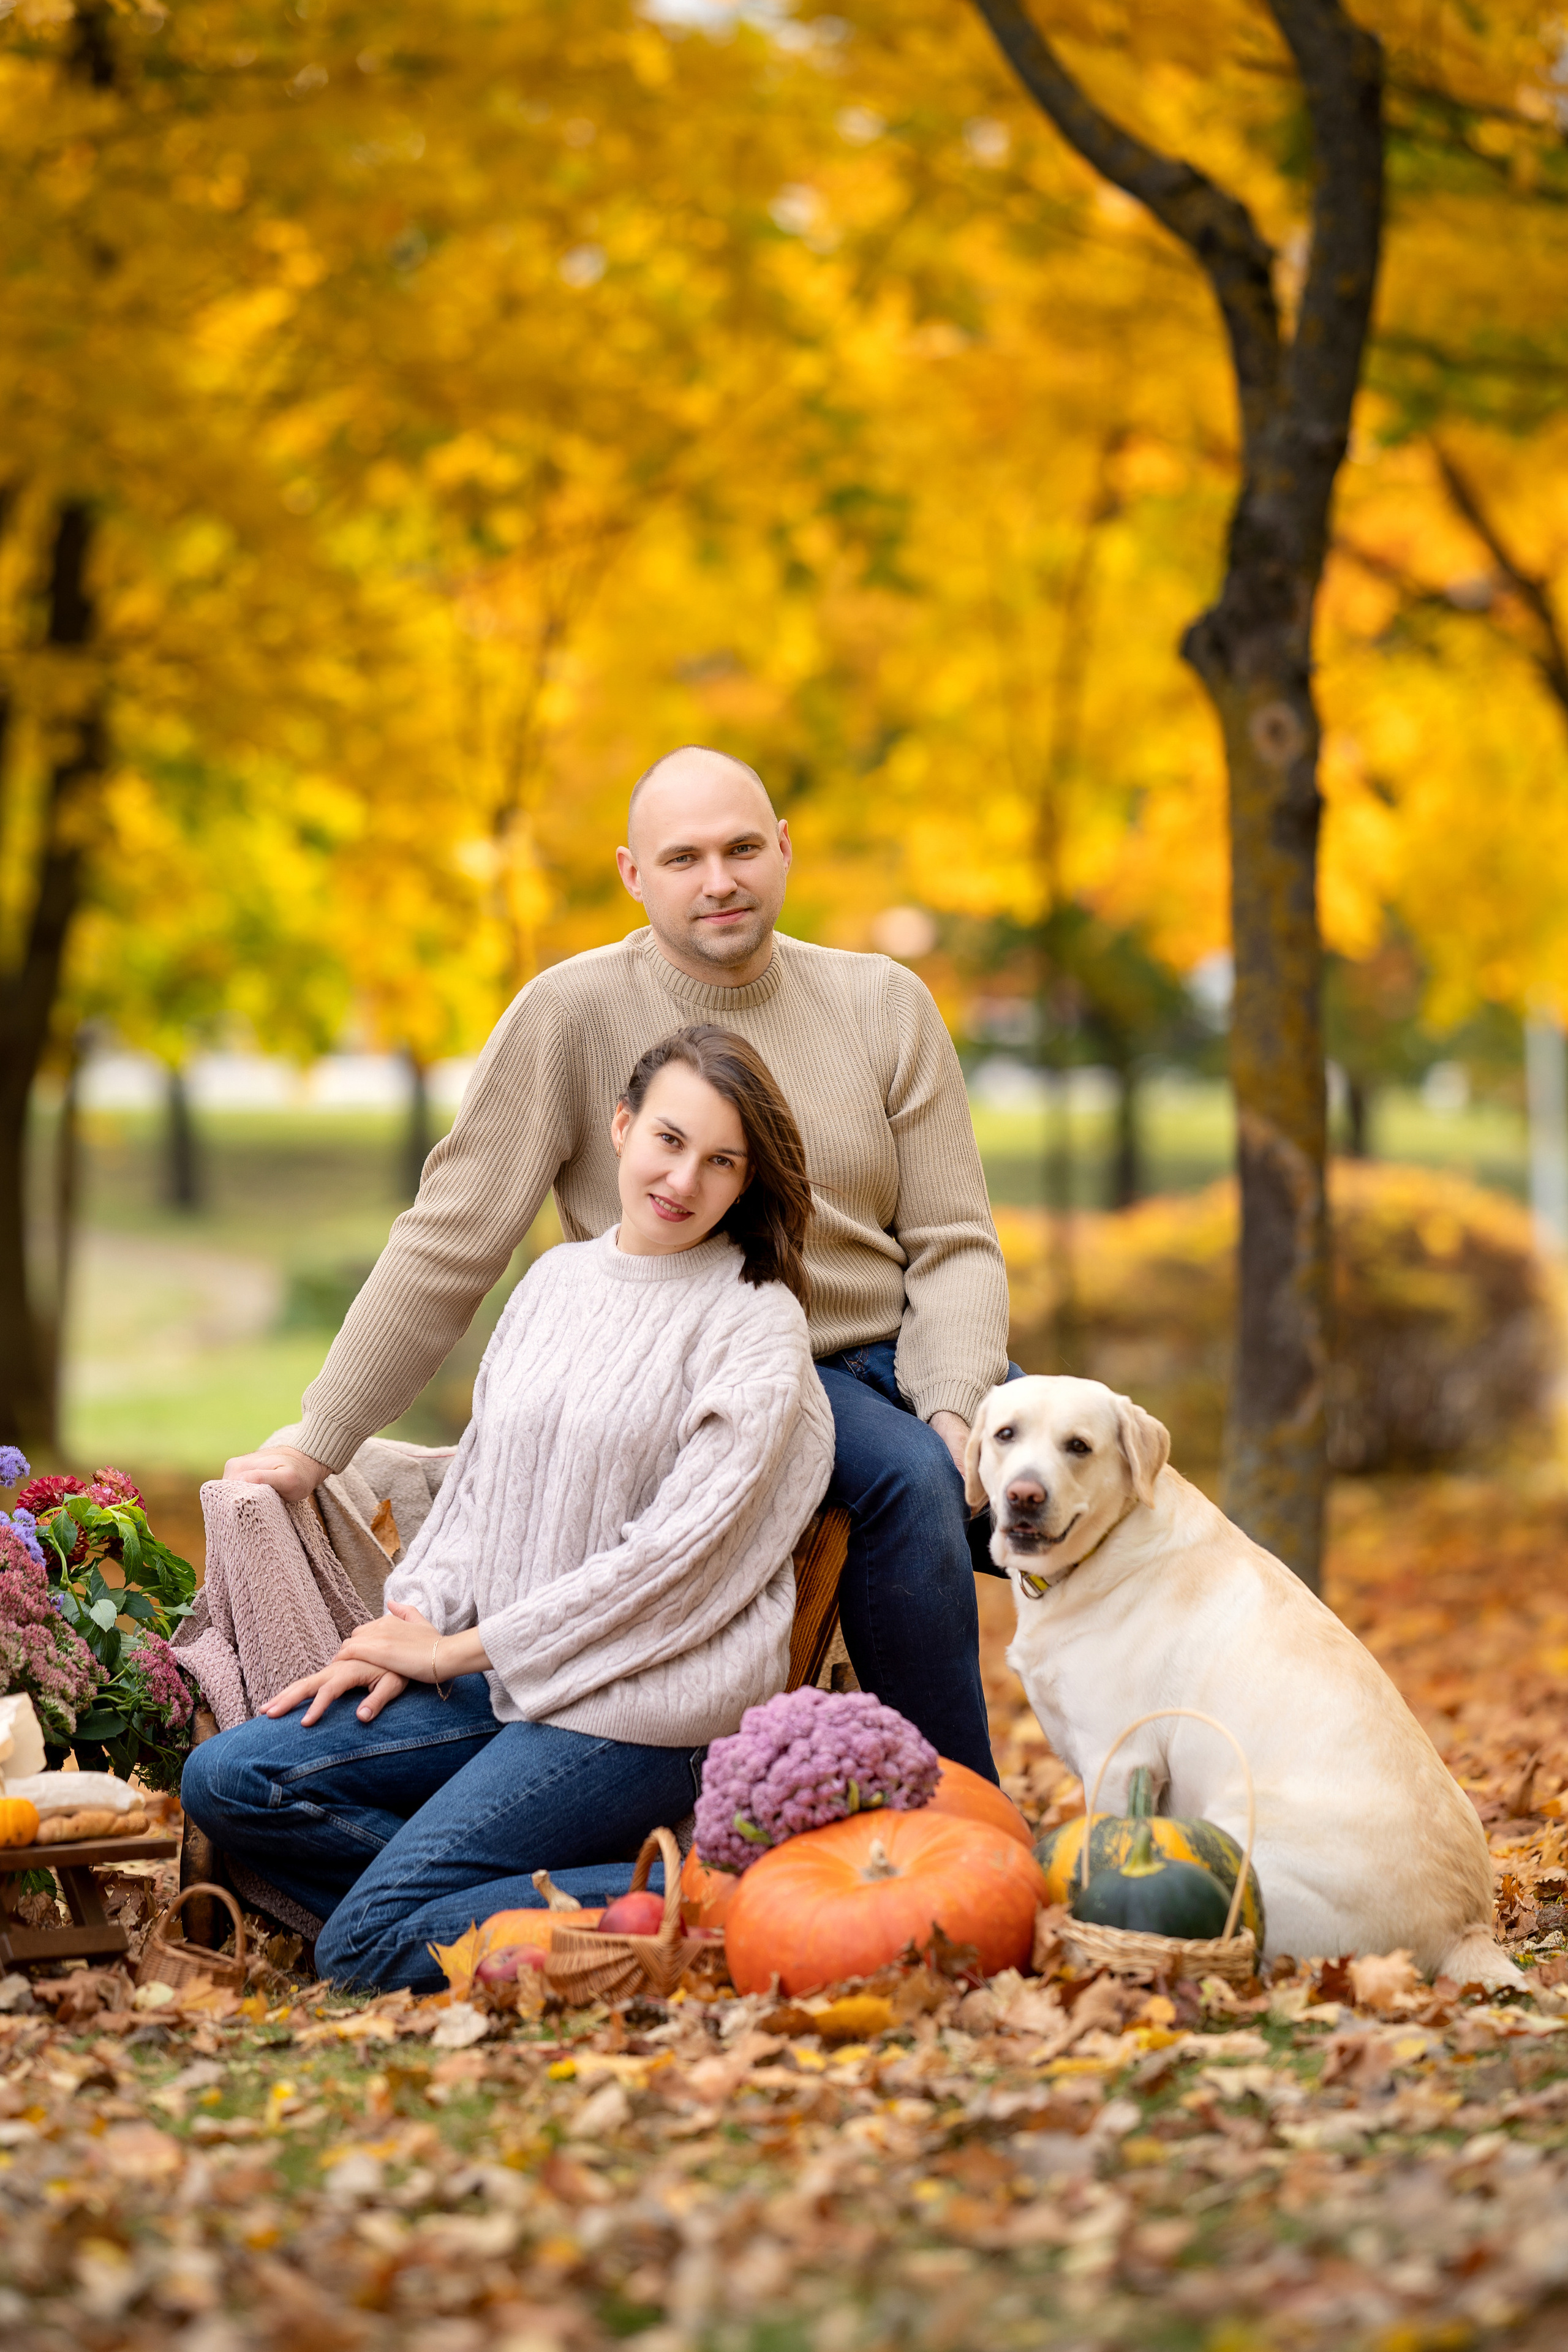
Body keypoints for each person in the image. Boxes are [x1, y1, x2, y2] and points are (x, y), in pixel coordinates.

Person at [225, 745, 1012, 1780]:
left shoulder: (884, 1002)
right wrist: (323, 1436)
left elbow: (954, 1242)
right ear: (633, 877)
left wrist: (957, 1401)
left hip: (907, 1352)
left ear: (784, 849)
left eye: (742, 849)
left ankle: (1176, 1797)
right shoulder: (570, 1013)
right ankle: (954, 1812)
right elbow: (450, 1239)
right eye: (683, 858)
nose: (720, 880)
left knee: (1099, 1483)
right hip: (749, 1354)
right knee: (911, 1480)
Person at [182, 1027, 834, 1990]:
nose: (683, 1179)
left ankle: (718, 1895)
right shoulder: (557, 1281)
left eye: (721, 1161)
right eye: (667, 1139)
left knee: (360, 1947)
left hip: (637, 1716)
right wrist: (412, 1622)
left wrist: (454, 1654)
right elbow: (483, 1489)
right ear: (620, 1126)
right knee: (229, 1779)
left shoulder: (756, 1325)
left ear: (748, 1182)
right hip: (506, 1683)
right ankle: (567, 1895)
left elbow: (669, 1569)